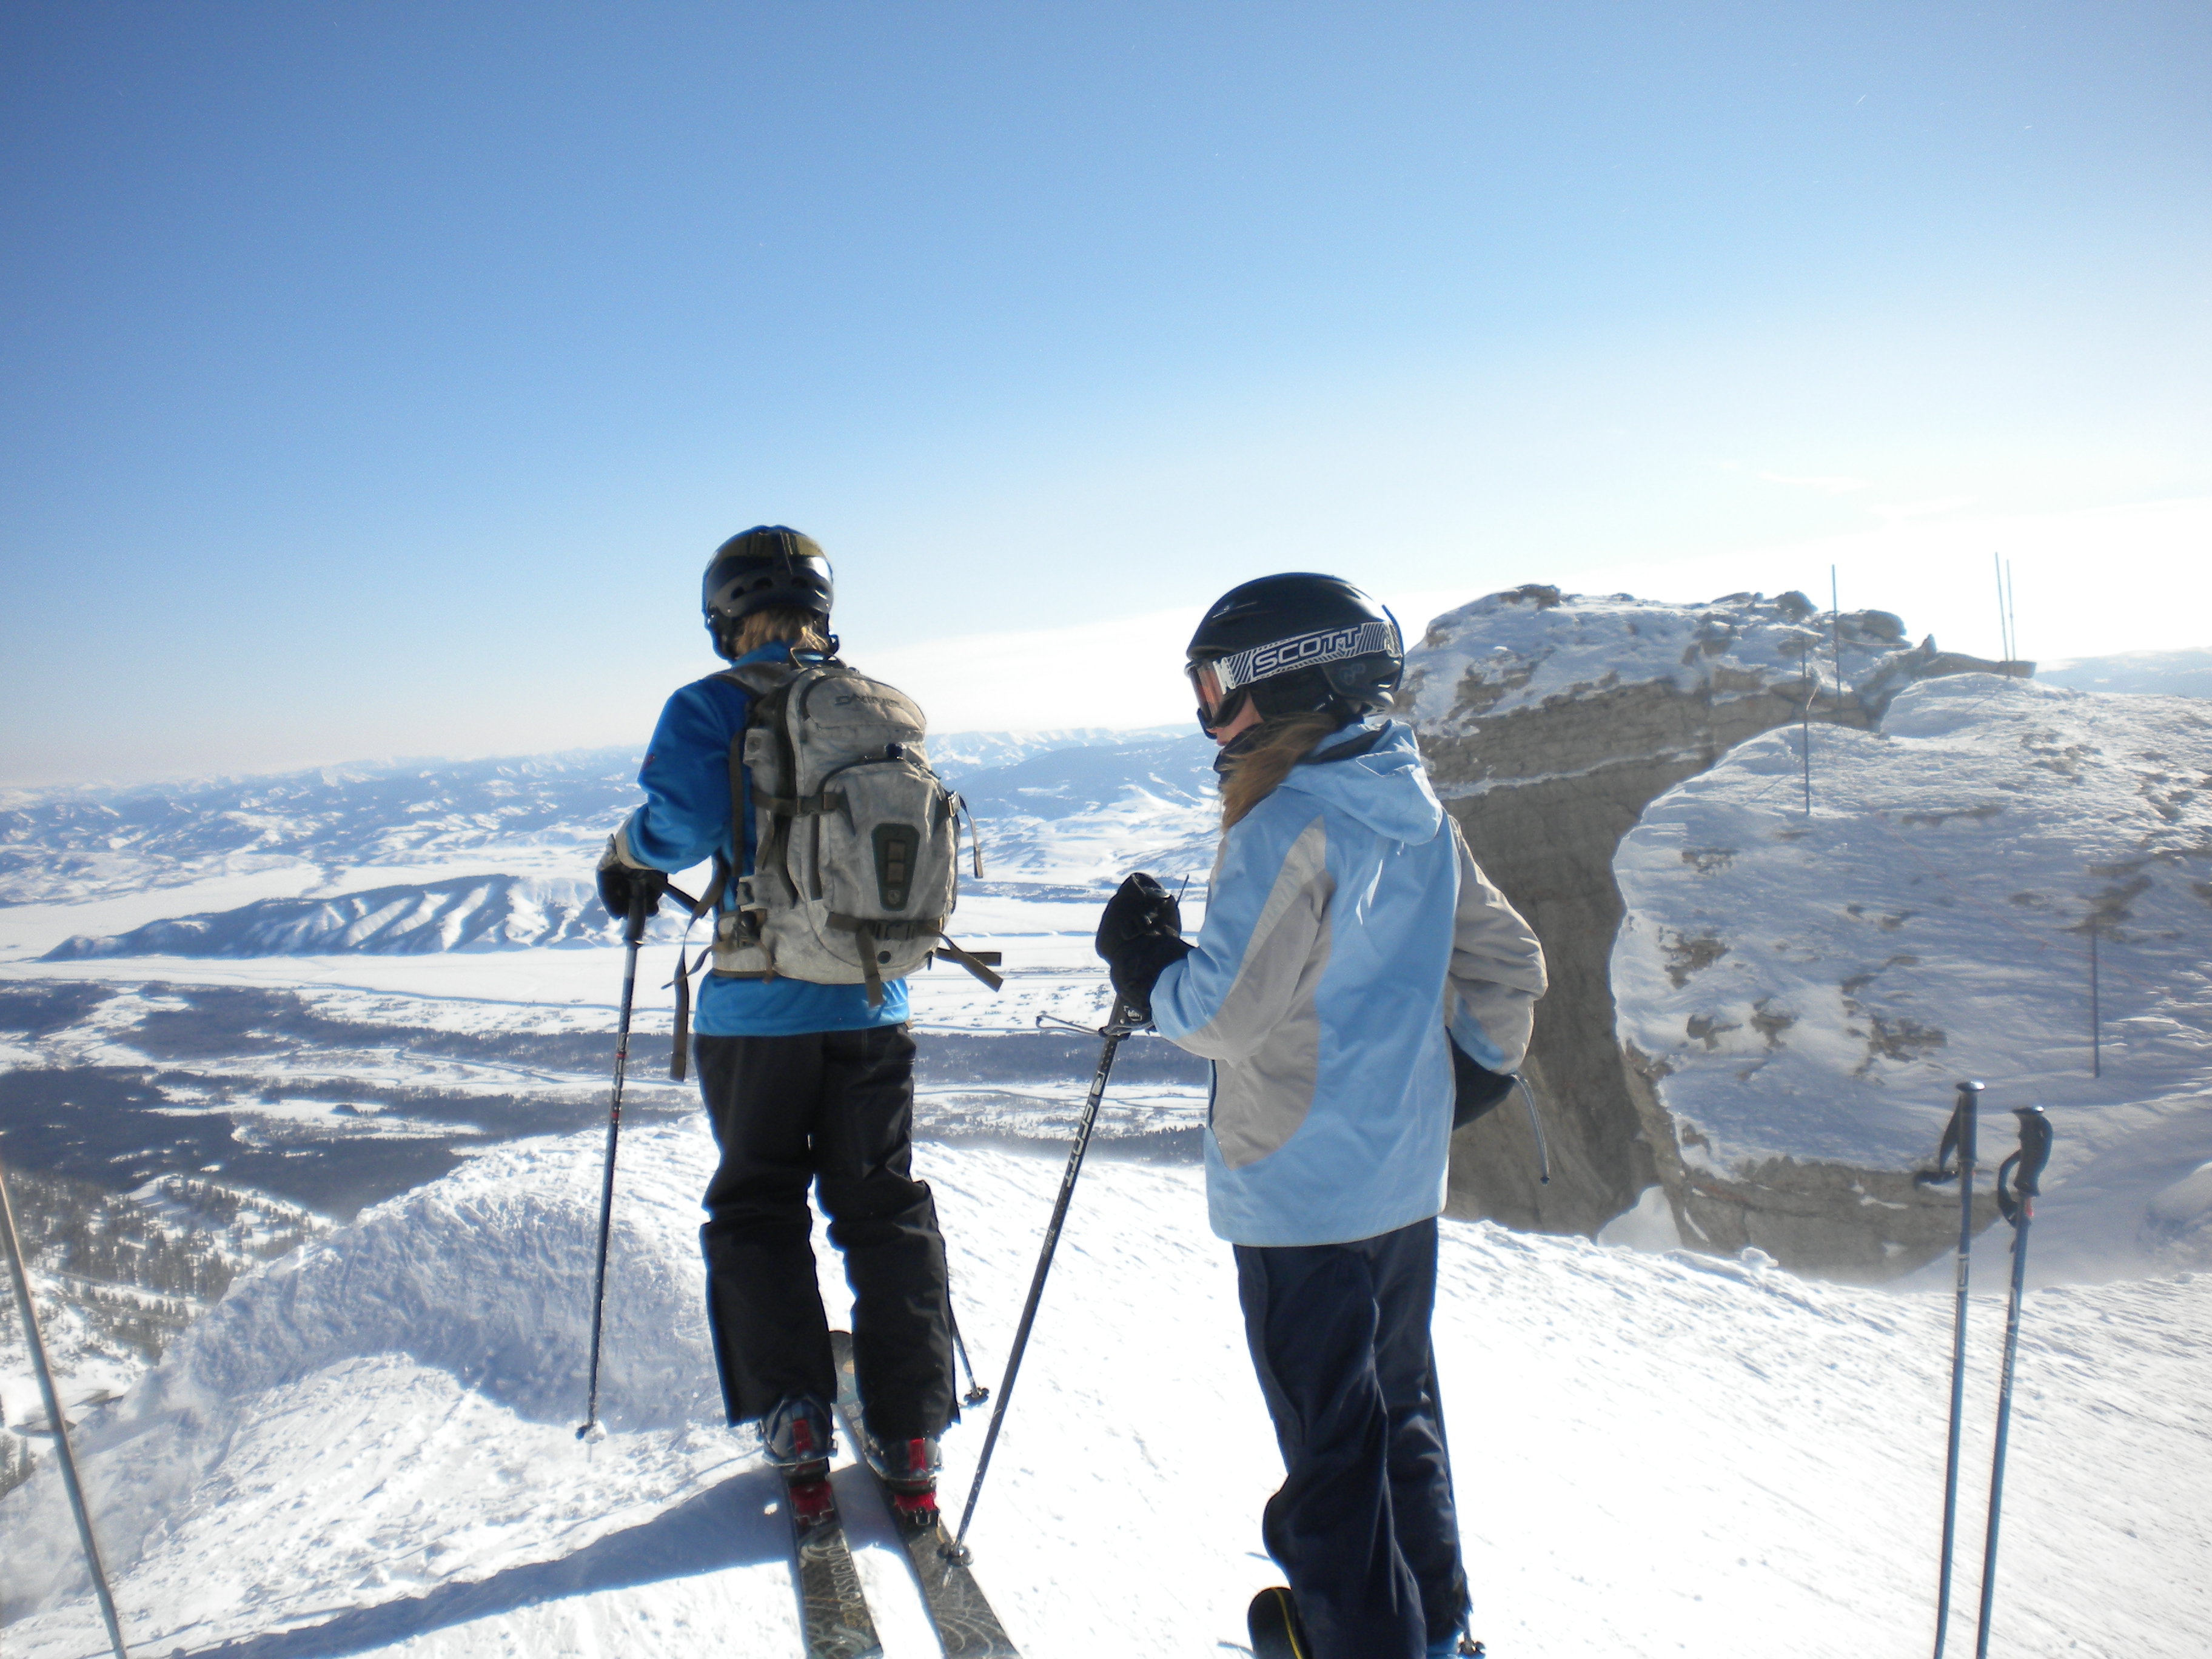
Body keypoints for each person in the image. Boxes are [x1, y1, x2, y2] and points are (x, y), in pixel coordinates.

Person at [1093, 573, 1547, 1659]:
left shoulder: (1286, 820)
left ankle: (1364, 1643)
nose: (1207, 717)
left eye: (1214, 690)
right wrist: (1463, 1081)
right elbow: (1510, 965)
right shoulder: (1410, 805)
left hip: (1300, 1200)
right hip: (1399, 1187)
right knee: (1402, 1424)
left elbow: (1221, 1015)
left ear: (1282, 679)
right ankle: (1437, 1633)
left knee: (1333, 1457)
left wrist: (1142, 958)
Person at [594, 525, 956, 1524]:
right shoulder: (882, 707)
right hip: (877, 1000)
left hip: (756, 1011)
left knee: (758, 1205)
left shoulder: (708, 705)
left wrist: (627, 855)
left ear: (723, 615)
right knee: (881, 1207)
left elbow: (675, 825)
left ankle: (795, 1415)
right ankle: (912, 1424)